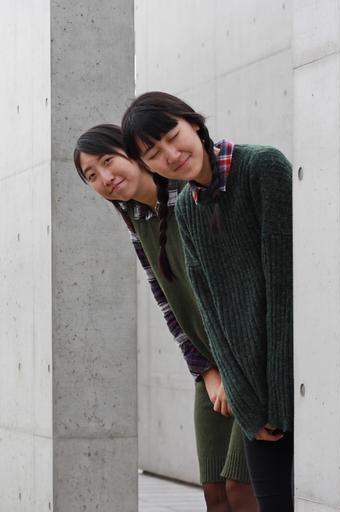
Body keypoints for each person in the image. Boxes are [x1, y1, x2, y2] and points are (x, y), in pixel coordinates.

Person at [121, 92, 294, 511]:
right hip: (257, 400)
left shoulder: (262, 167)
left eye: (171, 136)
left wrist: (275, 400)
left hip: (295, 383)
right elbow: (214, 318)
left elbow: (284, 292)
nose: (170, 155)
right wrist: (251, 407)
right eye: (153, 154)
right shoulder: (187, 210)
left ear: (194, 123)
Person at [74, 124, 257, 512]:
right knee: (216, 495)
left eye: (108, 161)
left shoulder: (189, 194)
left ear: (133, 153)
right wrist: (207, 371)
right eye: (91, 175)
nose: (105, 177)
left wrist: (229, 369)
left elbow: (235, 287)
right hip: (211, 366)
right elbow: (169, 305)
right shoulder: (136, 217)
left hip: (246, 358)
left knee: (242, 489)